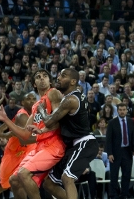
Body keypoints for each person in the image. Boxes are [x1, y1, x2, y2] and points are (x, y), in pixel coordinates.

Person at [0, 69, 65, 199]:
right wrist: (5, 119)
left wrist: (42, 132)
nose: (42, 78)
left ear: (50, 81)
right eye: (38, 77)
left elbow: (60, 119)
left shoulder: (53, 93)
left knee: (23, 174)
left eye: (45, 76)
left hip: (54, 144)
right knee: (14, 180)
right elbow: (24, 135)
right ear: (34, 84)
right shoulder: (36, 106)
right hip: (40, 146)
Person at [31, 68, 99, 199]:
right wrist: (41, 131)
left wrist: (41, 109)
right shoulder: (70, 98)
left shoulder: (70, 100)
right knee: (48, 184)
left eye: (63, 76)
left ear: (73, 81)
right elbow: (61, 123)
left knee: (67, 178)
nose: (58, 78)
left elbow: (49, 121)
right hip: (74, 146)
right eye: (59, 75)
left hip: (84, 143)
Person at [0, 93, 37, 199]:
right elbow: (23, 140)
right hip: (15, 152)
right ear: (22, 103)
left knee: (36, 178)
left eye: (34, 99)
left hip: (29, 150)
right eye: (28, 99)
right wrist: (44, 135)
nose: (32, 101)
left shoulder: (37, 113)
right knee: (4, 184)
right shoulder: (22, 116)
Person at [105, 102, 134, 199]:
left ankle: (124, 194)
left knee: (126, 174)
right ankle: (114, 195)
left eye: (124, 110)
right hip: (115, 152)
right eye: (120, 110)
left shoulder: (131, 121)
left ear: (126, 110)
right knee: (114, 175)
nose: (122, 112)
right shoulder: (112, 123)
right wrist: (109, 153)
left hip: (127, 151)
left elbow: (132, 136)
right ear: (117, 111)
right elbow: (108, 139)